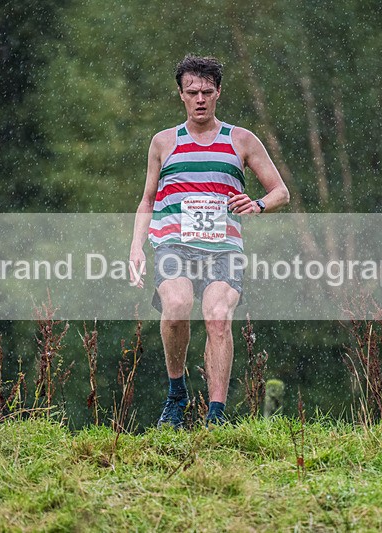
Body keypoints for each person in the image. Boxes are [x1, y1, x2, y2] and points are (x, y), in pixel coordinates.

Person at [129, 55, 289, 428]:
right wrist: (136, 247)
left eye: (207, 92)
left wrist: (259, 204)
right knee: (178, 304)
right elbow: (148, 200)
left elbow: (281, 191)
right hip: (174, 244)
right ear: (181, 95)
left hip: (223, 248)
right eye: (192, 92)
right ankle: (176, 395)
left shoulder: (242, 139)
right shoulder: (163, 142)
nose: (200, 99)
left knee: (217, 318)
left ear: (218, 93)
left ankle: (215, 415)